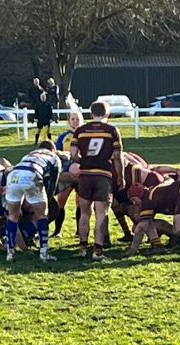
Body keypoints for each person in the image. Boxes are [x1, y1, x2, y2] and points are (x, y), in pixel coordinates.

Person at [70, 101, 124, 261]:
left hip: (85, 176)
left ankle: (82, 247)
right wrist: (120, 176)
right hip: (103, 176)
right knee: (102, 213)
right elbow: (117, 156)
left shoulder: (80, 131)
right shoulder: (112, 131)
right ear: (107, 114)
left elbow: (73, 154)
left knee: (84, 213)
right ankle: (98, 251)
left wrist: (84, 161)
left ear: (91, 113)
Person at [5, 141, 61, 262]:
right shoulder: (54, 157)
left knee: (13, 216)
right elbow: (53, 182)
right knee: (42, 215)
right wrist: (47, 199)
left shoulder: (29, 154)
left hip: (13, 175)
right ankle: (44, 252)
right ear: (53, 150)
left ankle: (10, 253)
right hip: (32, 175)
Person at [52, 111, 84, 237]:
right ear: (69, 121)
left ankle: (79, 231)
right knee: (61, 201)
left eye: (77, 119)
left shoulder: (85, 136)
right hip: (66, 173)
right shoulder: (63, 137)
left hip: (81, 173)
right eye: (72, 119)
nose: (75, 121)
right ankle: (57, 231)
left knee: (80, 202)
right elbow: (55, 152)